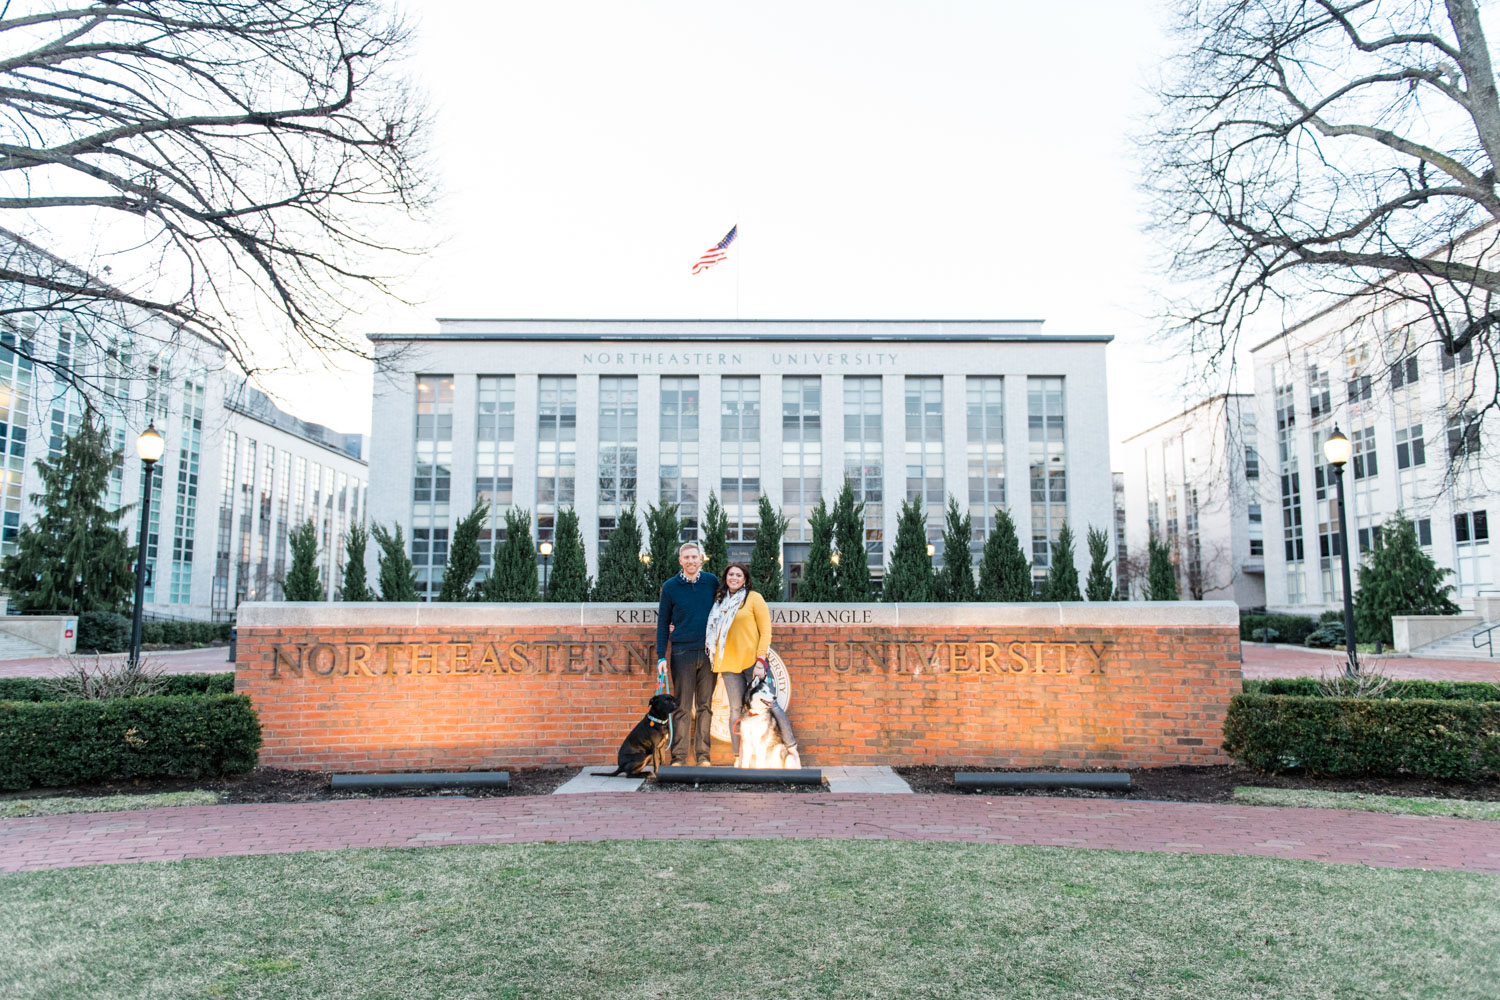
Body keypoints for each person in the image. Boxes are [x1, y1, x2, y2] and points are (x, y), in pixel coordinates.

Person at [705, 561, 798, 764]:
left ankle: (792, 748)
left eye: (739, 575)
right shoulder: (719, 601)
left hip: (753, 663)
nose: (734, 578)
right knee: (735, 711)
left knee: (771, 705)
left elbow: (766, 631)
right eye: (731, 575)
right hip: (729, 664)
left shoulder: (754, 599)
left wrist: (760, 660)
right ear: (725, 578)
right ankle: (738, 757)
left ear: (745, 579)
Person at [655, 540, 719, 765]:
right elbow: (663, 623)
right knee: (681, 707)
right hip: (682, 653)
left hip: (709, 653)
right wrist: (661, 656)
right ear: (680, 561)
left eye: (695, 557)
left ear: (701, 559)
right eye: (687, 557)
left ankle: (703, 757)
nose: (691, 561)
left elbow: (725, 610)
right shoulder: (670, 587)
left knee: (705, 707)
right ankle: (679, 758)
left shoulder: (712, 582)